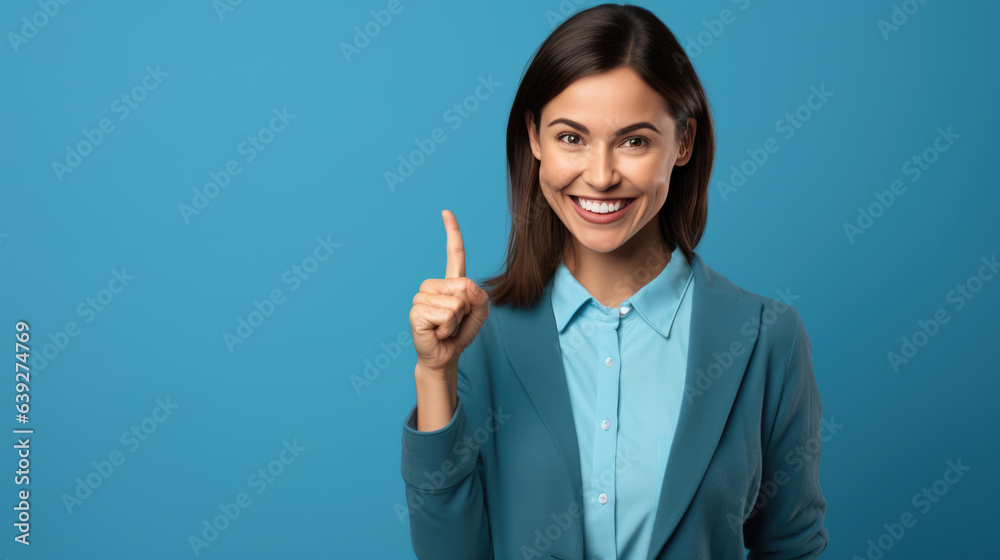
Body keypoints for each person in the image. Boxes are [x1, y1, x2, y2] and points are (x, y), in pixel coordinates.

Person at [400, 4, 829, 559]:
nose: (600, 175)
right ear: (534, 139)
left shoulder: (767, 340)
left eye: (634, 141)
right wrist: (434, 375)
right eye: (571, 138)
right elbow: (451, 554)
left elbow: (792, 545)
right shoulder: (479, 335)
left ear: (683, 143)